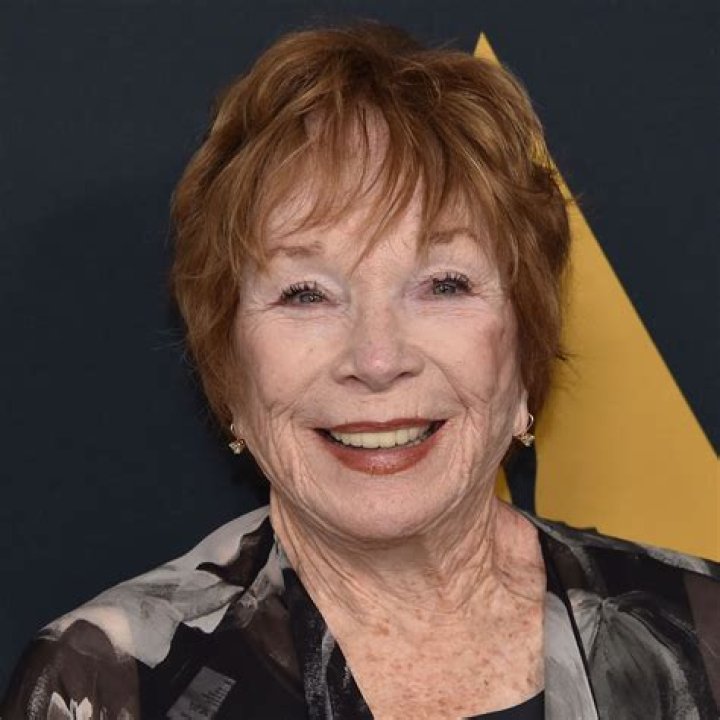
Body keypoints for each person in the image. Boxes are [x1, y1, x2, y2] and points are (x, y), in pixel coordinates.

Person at [1, 22, 718, 720]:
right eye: (306, 294)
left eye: (443, 284)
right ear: (229, 371)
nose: (377, 360)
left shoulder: (704, 638)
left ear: (524, 349)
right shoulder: (110, 686)